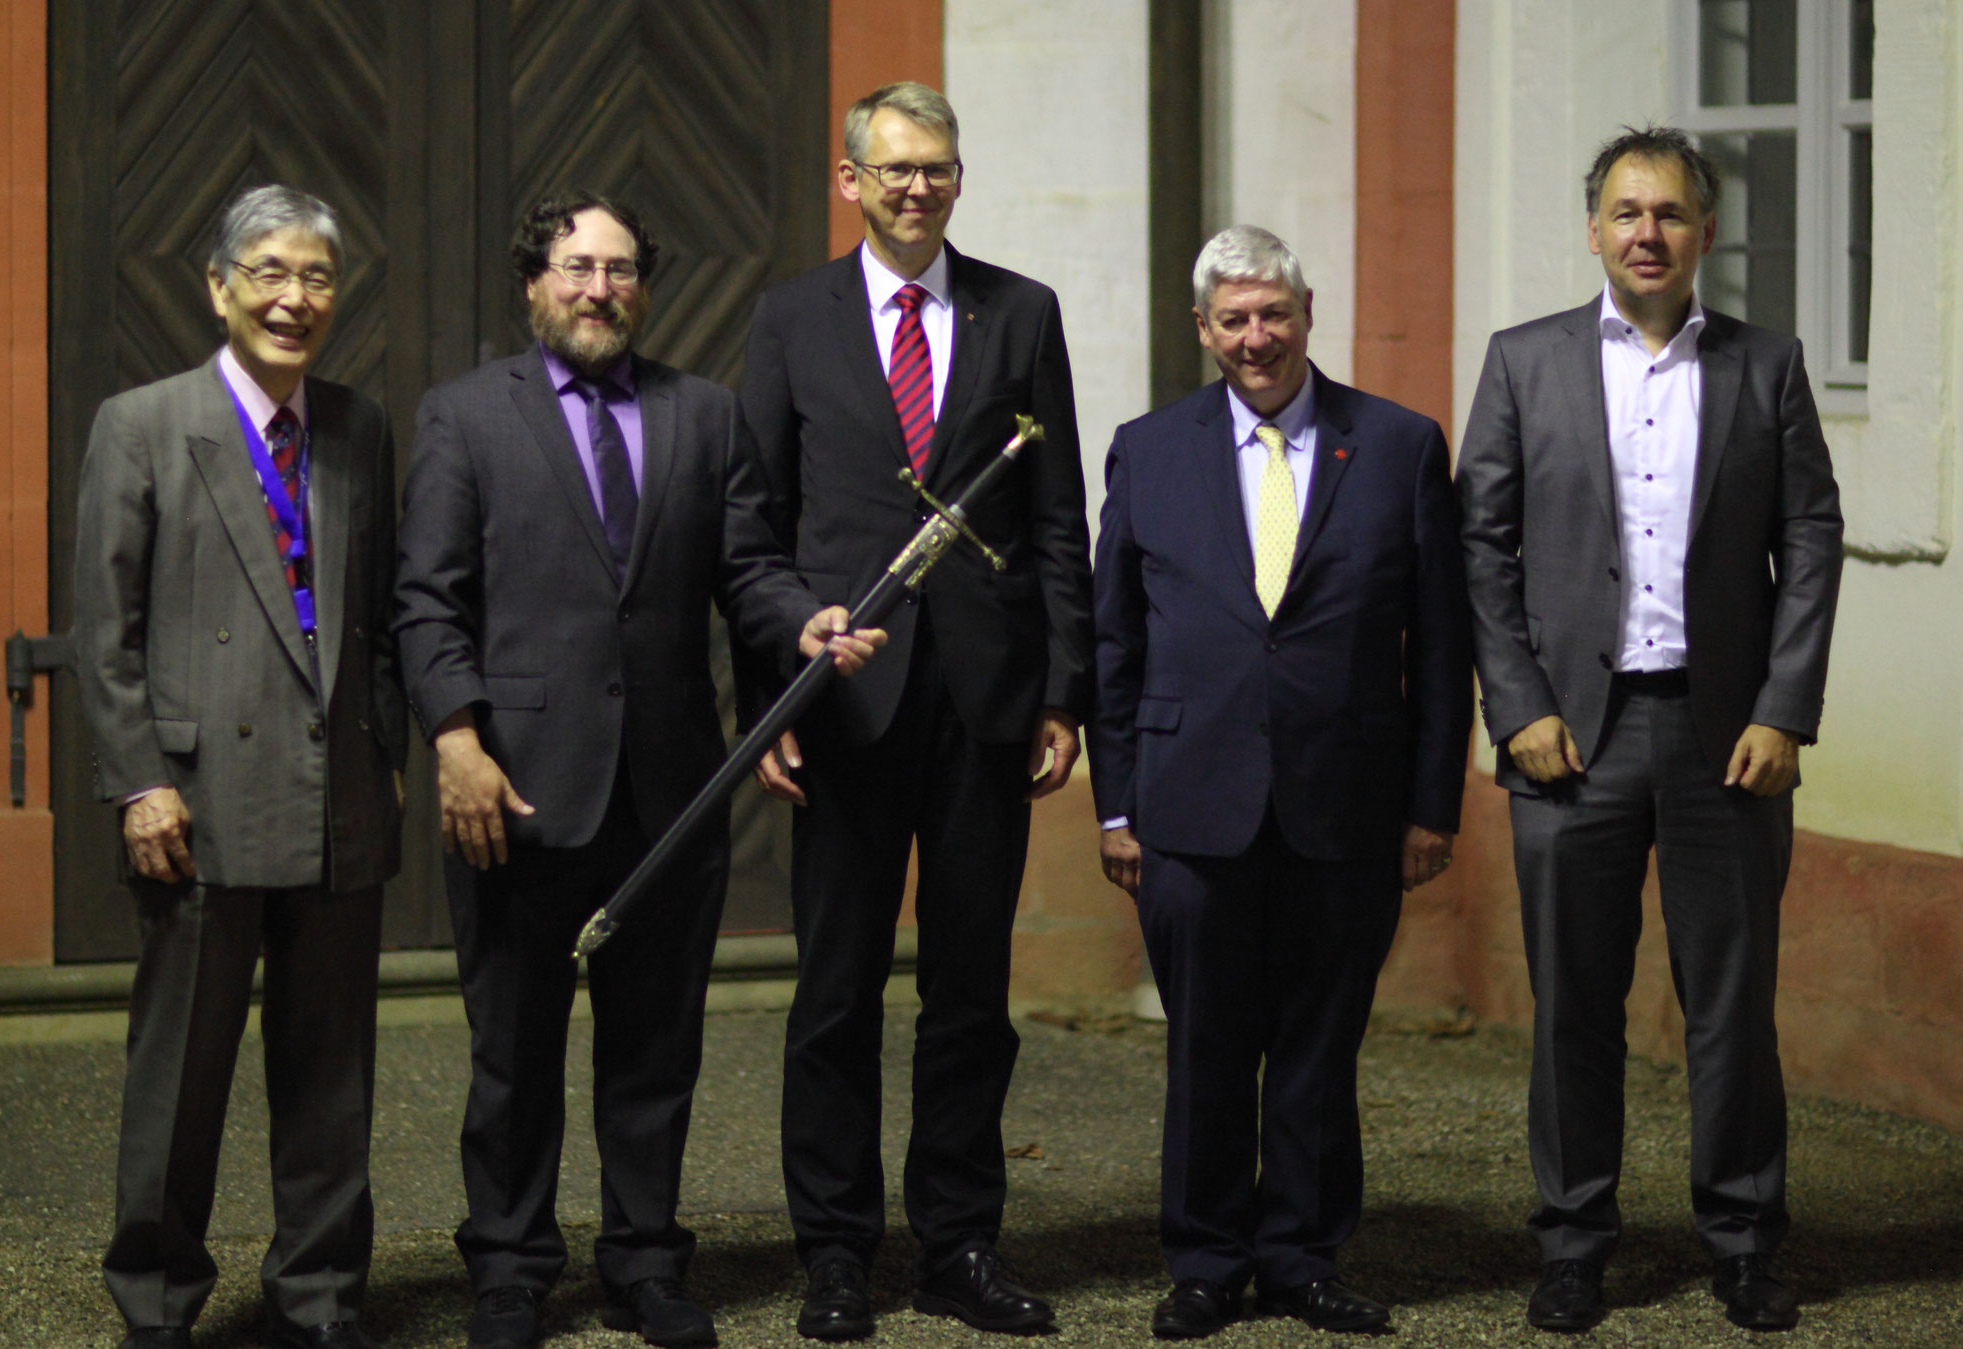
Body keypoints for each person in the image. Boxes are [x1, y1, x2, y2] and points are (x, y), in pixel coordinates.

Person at [393, 190, 882, 1349]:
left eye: (617, 269)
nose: (598, 288)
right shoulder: (464, 417)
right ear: (533, 282)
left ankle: (645, 1261)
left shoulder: (703, 415)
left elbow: (748, 565)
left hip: (672, 792)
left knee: (654, 1048)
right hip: (512, 788)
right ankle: (509, 1267)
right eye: (575, 266)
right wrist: (455, 739)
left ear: (641, 286)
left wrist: (797, 626)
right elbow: (426, 600)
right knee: (512, 1048)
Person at [1458, 126, 1844, 1334]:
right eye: (1624, 213)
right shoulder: (1522, 363)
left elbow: (1811, 539)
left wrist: (1783, 705)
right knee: (1575, 1000)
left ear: (1704, 234)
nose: (1645, 234)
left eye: (1669, 214)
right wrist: (1514, 704)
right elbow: (1479, 544)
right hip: (1569, 738)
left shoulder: (1762, 367)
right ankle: (1573, 1241)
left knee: (1729, 1001)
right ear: (1591, 230)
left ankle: (1739, 1238)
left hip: (1723, 738)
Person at [739, 80, 1093, 1340]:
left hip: (986, 703)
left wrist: (1065, 689)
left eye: (936, 169)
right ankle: (836, 1250)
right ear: (850, 181)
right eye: (892, 170)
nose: (916, 188)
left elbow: (1057, 517)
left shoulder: (1020, 312)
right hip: (844, 702)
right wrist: (778, 674)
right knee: (834, 991)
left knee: (968, 992)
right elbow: (753, 529)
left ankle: (958, 1243)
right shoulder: (789, 321)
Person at [1090, 226, 1471, 1339]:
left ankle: (1301, 1257)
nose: (1256, 337)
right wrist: (1114, 804)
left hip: (1345, 801)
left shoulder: (1396, 445)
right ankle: (1205, 1258)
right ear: (1202, 331)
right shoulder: (1146, 449)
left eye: (1274, 314)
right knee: (1205, 1041)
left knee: (1316, 1042)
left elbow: (1439, 647)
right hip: (1185, 802)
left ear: (1307, 315)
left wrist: (1428, 804)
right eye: (1233, 319)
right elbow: (1112, 641)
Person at [74, 185, 404, 1349]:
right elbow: (102, 630)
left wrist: (390, 758)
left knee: (330, 1081)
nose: (292, 297)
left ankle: (319, 1298)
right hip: (196, 804)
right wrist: (137, 780)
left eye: (314, 275)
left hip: (339, 804)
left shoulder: (360, 426)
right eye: (267, 272)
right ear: (218, 286)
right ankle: (158, 1303)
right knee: (181, 1081)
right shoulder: (143, 423)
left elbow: (375, 619)